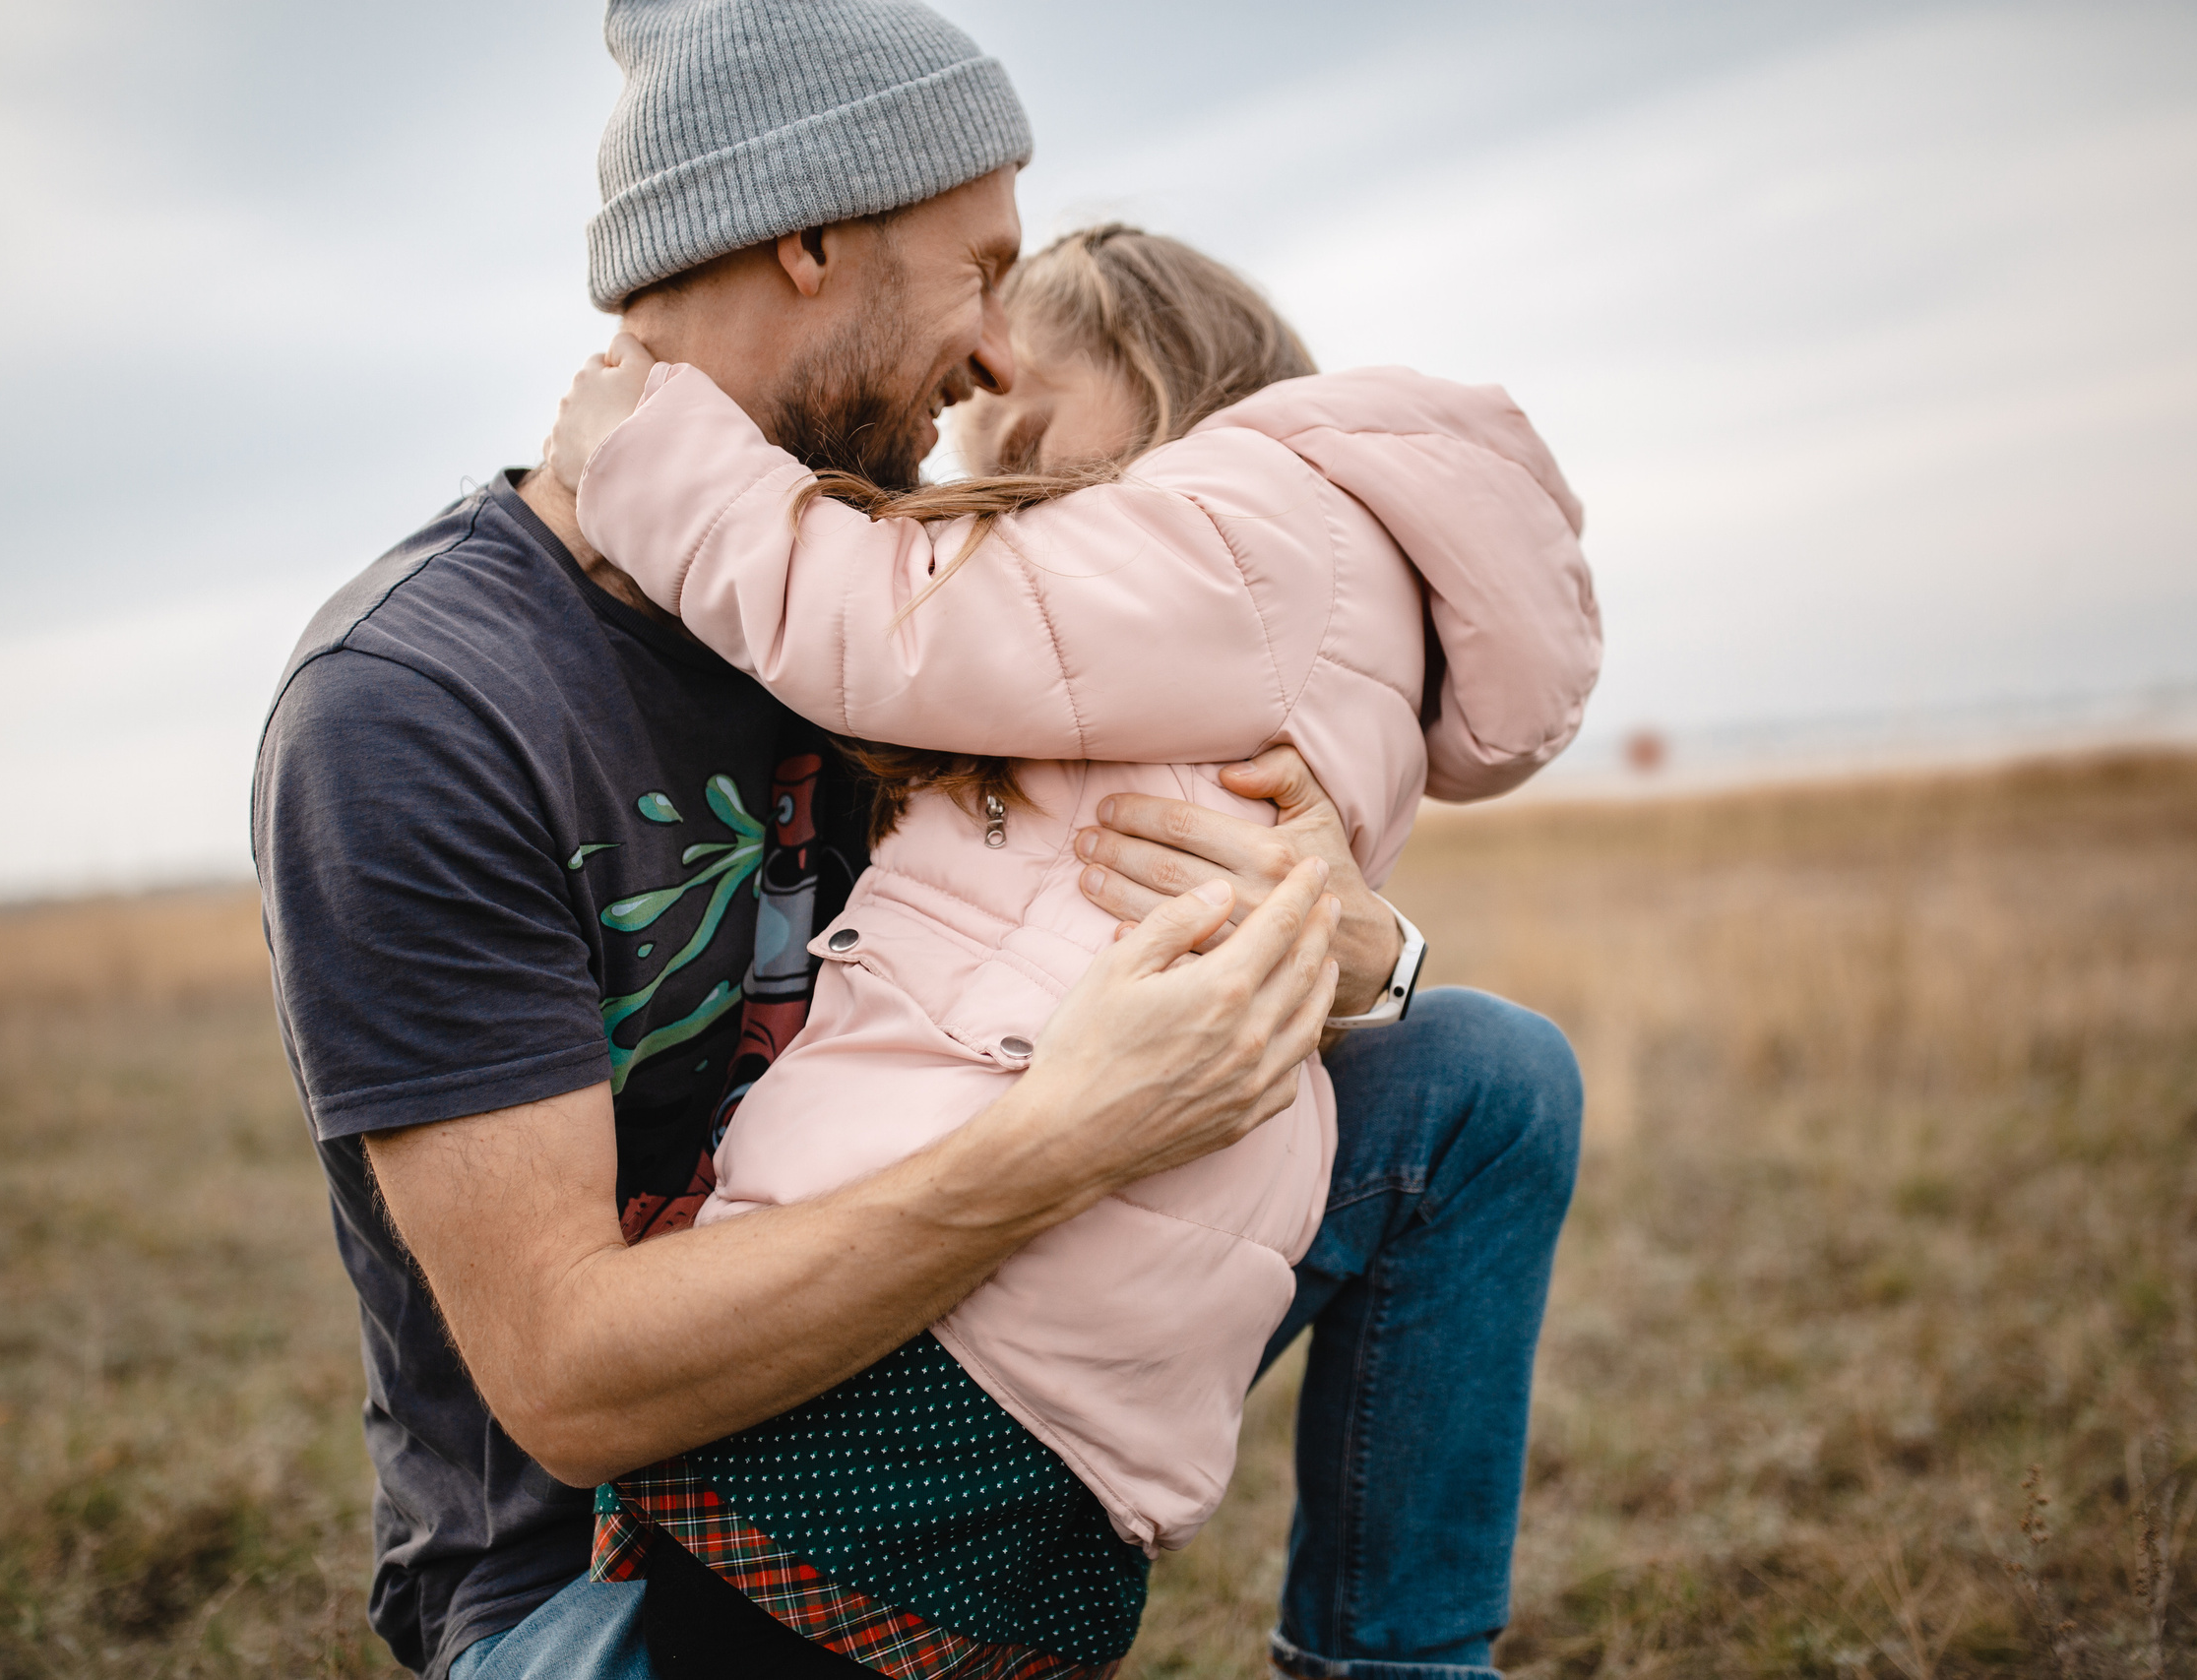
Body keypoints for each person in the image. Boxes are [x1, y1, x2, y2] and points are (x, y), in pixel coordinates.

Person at [250, 4, 1587, 1677]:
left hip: (951, 1345)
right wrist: (1066, 1138)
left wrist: (1348, 940)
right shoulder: (421, 708)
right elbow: (570, 1383)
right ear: (808, 238)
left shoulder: (937, 599)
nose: (999, 364)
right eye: (980, 271)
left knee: (1481, 1073)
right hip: (615, 1574)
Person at [534, 223, 1600, 1674]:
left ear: (1156, 369)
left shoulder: (1230, 528)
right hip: (1105, 1322)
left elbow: (885, 624)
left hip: (982, 1299)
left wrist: (642, 444)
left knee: (742, 1624)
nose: (978, 453)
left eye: (1021, 413)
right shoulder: (1310, 588)